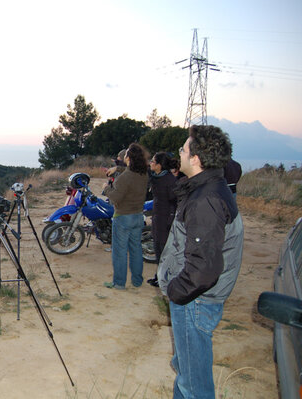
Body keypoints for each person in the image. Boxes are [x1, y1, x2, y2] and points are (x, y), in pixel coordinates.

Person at [157, 125, 244, 399]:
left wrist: (175, 292)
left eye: (183, 149)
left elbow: (204, 269)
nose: (179, 154)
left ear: (196, 159)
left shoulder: (206, 199)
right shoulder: (210, 188)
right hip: (195, 298)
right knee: (187, 372)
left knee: (194, 386)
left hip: (195, 300)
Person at [102, 143, 149, 289]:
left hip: (123, 217)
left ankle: (119, 283)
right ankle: (137, 281)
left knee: (120, 252)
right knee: (136, 250)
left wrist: (106, 189)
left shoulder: (125, 178)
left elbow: (116, 198)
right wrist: (118, 168)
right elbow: (130, 171)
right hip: (138, 216)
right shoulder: (143, 174)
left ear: (128, 158)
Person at [146, 152, 178, 287]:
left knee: (164, 249)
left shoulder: (170, 181)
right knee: (158, 248)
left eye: (153, 161)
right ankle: (159, 276)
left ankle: (164, 278)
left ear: (159, 165)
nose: (150, 163)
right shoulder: (155, 176)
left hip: (165, 219)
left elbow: (175, 202)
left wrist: (169, 221)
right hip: (158, 216)